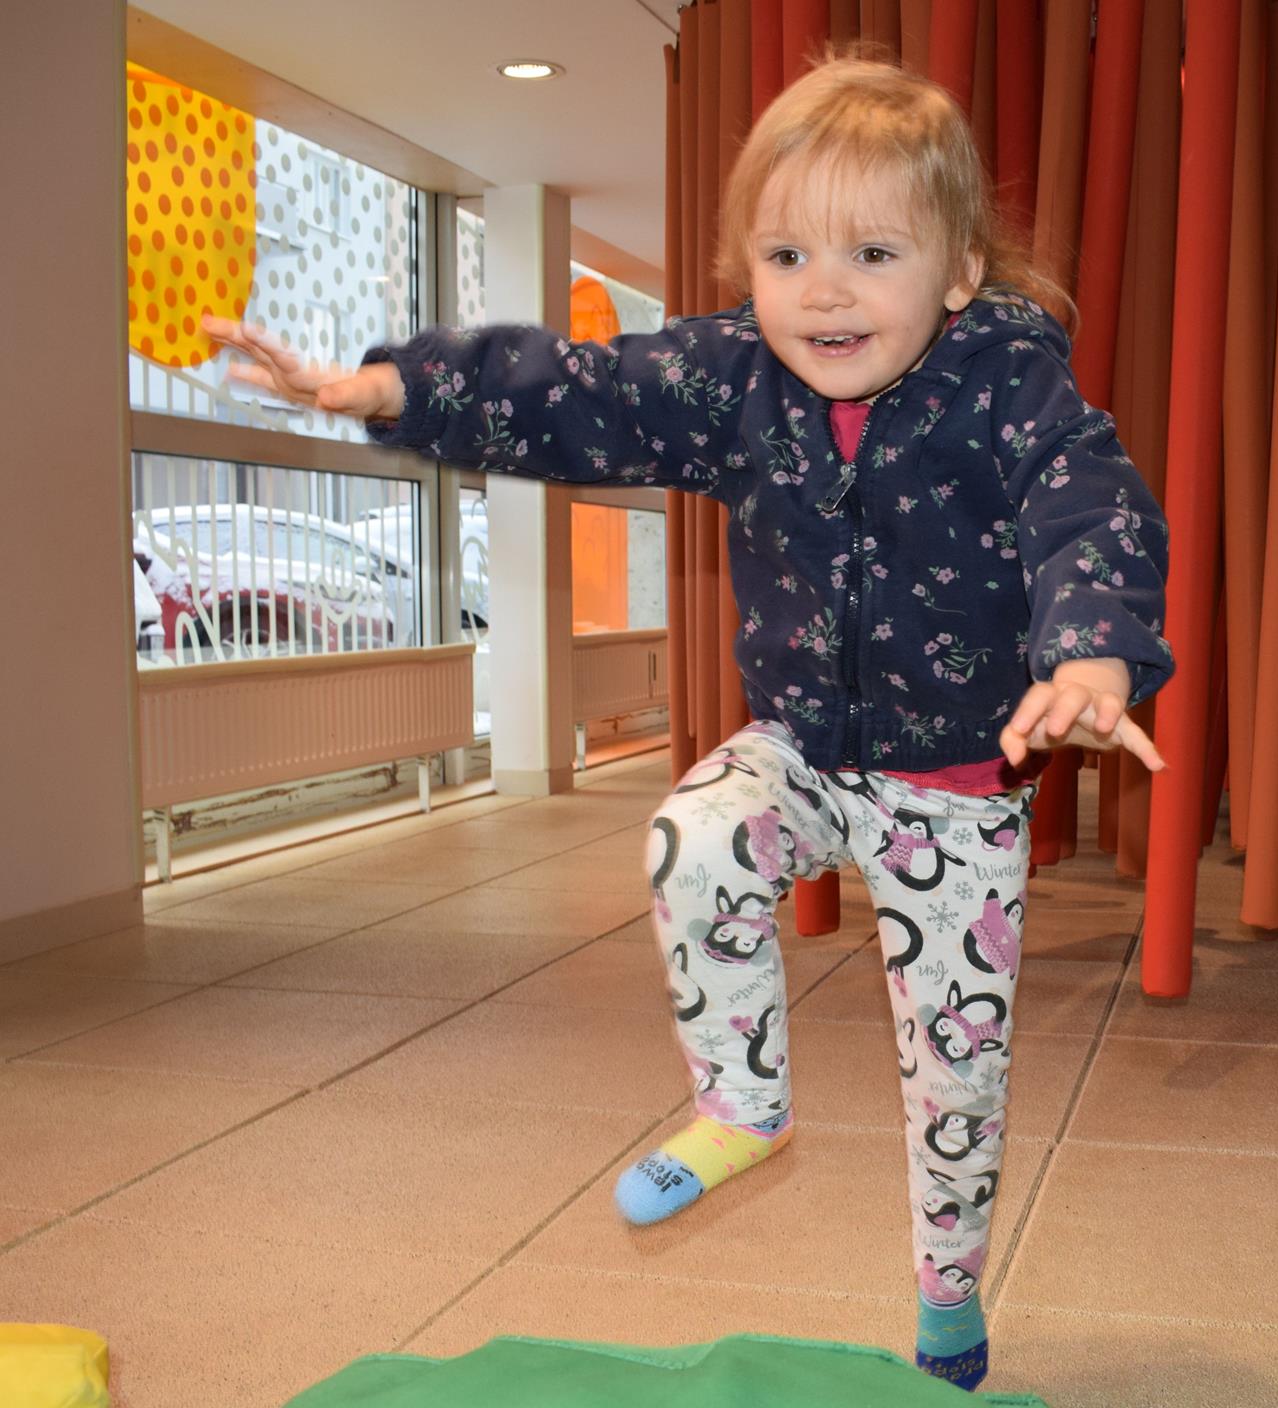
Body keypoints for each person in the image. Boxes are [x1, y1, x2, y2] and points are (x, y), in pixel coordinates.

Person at [204, 53, 1172, 1392]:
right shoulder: (734, 378)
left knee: (958, 1079)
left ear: (957, 272)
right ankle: (742, 1106)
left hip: (956, 784)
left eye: (872, 253)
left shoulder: (1009, 386)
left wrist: (1091, 652)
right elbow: (571, 389)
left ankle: (948, 1309)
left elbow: (1089, 503)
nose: (823, 291)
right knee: (693, 836)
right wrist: (387, 390)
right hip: (805, 749)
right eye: (786, 255)